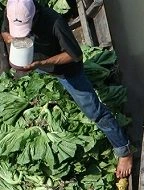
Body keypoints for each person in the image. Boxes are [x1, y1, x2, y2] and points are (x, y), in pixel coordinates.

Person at [2, 0, 133, 178]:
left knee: (95, 112)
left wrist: (42, 63)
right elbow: (4, 32)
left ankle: (124, 151)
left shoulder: (54, 22)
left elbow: (75, 55)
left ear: (34, 16)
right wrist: (12, 39)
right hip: (35, 65)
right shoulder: (13, 12)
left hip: (66, 71)